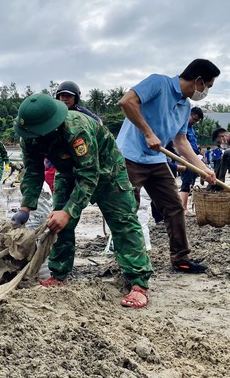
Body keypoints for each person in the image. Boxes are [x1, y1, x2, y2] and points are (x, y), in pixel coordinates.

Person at [12, 94, 153, 308]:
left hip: (108, 173)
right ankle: (59, 275)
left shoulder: (76, 129)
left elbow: (89, 174)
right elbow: (33, 172)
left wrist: (69, 211)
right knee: (57, 225)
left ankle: (139, 283)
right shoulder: (29, 135)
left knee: (123, 224)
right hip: (68, 174)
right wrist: (25, 208)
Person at [116, 58, 218, 274]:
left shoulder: (185, 105)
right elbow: (126, 102)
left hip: (156, 160)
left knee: (174, 207)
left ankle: (180, 258)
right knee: (127, 209)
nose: (206, 91)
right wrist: (148, 132)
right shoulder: (158, 83)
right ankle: (129, 262)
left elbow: (181, 142)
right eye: (207, 86)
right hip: (129, 157)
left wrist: (203, 168)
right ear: (198, 80)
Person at [178, 107, 203, 217]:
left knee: (190, 182)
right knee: (186, 182)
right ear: (189, 114)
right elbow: (179, 144)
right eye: (194, 119)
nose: (194, 122)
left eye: (197, 121)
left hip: (194, 158)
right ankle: (183, 209)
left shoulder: (191, 128)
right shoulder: (180, 125)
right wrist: (182, 157)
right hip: (186, 158)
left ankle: (184, 207)